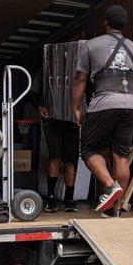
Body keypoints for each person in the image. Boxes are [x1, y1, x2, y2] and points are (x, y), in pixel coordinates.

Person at [72, 5, 133, 217]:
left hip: (102, 103)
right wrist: (129, 101)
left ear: (106, 23)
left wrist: (76, 108)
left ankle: (109, 185)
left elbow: (80, 79)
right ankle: (115, 210)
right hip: (130, 105)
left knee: (88, 149)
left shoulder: (90, 46)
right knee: (121, 157)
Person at [31, 70, 79, 213]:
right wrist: (39, 107)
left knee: (70, 160)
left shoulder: (76, 68)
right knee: (55, 157)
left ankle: (69, 199)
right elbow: (33, 92)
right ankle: (51, 198)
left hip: (71, 120)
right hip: (51, 120)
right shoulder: (46, 69)